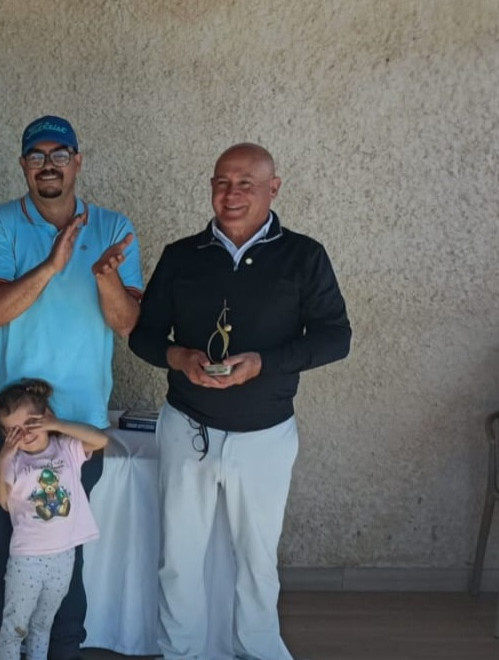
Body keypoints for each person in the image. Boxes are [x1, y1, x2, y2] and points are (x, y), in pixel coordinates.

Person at [128, 143, 351, 660]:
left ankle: (257, 650)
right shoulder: (182, 256)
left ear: (274, 188)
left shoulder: (304, 255)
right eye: (221, 182)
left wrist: (263, 363)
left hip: (266, 434)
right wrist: (178, 357)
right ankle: (179, 652)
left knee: (256, 559)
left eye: (245, 183)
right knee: (179, 559)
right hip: (188, 427)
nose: (231, 194)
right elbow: (143, 337)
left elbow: (336, 337)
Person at [0, 116, 143, 660]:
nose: (49, 164)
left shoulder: (114, 227)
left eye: (59, 154)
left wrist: (105, 276)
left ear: (77, 162)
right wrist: (52, 264)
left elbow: (127, 324)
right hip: (8, 422)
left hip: (78, 426)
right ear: (23, 165)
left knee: (66, 548)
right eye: (37, 155)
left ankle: (62, 650)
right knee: (5, 545)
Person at [0, 379, 108, 660]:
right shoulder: (15, 462)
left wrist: (58, 425)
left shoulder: (66, 448)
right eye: (14, 430)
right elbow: (4, 501)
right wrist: (3, 459)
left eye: (32, 423)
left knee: (43, 625)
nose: (26, 433)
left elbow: (99, 441)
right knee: (14, 628)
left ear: (46, 416)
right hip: (27, 559)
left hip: (63, 557)